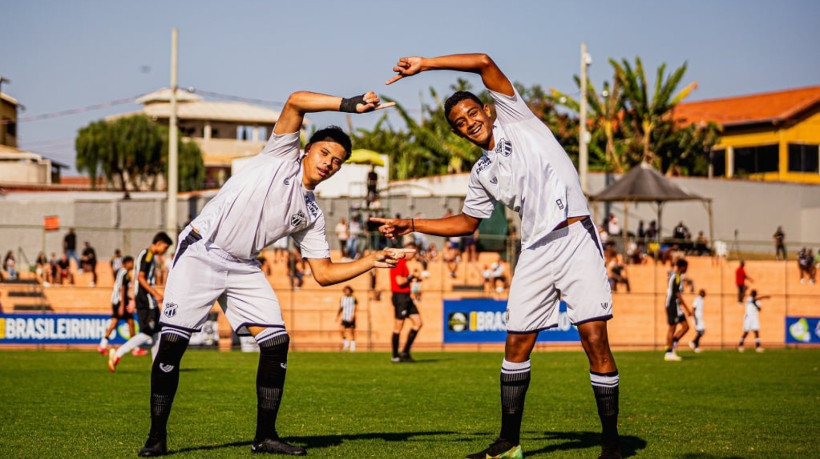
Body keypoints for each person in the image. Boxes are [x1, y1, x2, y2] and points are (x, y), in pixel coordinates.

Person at [135, 89, 406, 457]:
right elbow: (295, 100)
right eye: (325, 152)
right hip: (202, 250)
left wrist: (371, 259)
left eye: (338, 161)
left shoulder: (311, 215)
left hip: (243, 265)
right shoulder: (280, 157)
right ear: (307, 150)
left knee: (277, 342)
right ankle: (156, 437)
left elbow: (323, 274)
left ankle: (265, 437)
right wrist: (349, 104)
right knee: (172, 345)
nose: (329, 162)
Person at [375, 53, 620, 459]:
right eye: (459, 123)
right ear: (457, 132)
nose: (468, 122)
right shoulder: (481, 172)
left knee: (594, 339)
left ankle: (611, 446)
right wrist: (411, 224)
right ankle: (509, 443)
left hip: (575, 237)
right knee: (515, 346)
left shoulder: (517, 118)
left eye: (472, 113)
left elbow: (484, 62)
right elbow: (467, 223)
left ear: (488, 110)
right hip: (535, 250)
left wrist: (426, 65)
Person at [108, 232, 172, 371]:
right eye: (165, 247)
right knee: (148, 332)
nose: (165, 251)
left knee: (157, 332)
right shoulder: (148, 255)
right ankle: (118, 353)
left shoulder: (147, 255)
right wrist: (155, 293)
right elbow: (141, 278)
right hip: (146, 299)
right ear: (159, 243)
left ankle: (157, 366)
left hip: (145, 299)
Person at [389, 241, 422, 363]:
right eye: (413, 252)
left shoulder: (405, 264)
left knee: (418, 322)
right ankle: (395, 356)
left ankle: (405, 352)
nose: (414, 255)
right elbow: (399, 281)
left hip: (407, 297)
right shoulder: (399, 263)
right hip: (400, 297)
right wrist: (411, 277)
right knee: (398, 326)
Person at [98, 256, 136, 354]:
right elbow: (122, 288)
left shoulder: (120, 272)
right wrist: (122, 305)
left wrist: (128, 298)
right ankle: (135, 348)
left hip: (116, 300)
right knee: (130, 322)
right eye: (131, 262)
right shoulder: (125, 273)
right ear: (127, 263)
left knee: (115, 323)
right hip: (120, 302)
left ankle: (102, 345)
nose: (133, 265)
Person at [664, 258, 692, 361]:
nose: (687, 269)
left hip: (675, 306)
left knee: (686, 326)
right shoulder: (676, 277)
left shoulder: (678, 277)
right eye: (686, 267)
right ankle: (669, 352)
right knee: (672, 327)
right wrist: (688, 309)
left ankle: (672, 344)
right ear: (681, 267)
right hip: (673, 305)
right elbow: (677, 294)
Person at [336, 285, 358, 352]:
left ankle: (352, 346)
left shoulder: (353, 298)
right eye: (346, 290)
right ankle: (345, 342)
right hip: (344, 317)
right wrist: (337, 315)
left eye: (348, 290)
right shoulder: (342, 298)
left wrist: (353, 316)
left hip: (351, 317)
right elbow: (341, 307)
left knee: (352, 332)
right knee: (341, 330)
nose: (347, 292)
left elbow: (356, 308)